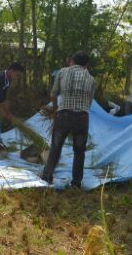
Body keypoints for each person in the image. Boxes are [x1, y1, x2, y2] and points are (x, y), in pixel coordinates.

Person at [41, 51, 96, 188]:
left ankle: (47, 176)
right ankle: (76, 183)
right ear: (87, 64)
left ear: (72, 60)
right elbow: (89, 104)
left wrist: (55, 108)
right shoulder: (92, 80)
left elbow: (53, 95)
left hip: (64, 116)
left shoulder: (62, 72)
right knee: (79, 151)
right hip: (82, 118)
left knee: (56, 147)